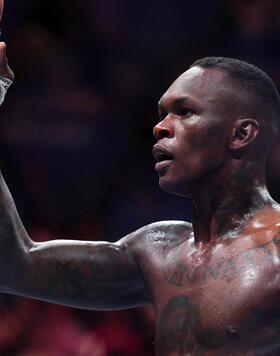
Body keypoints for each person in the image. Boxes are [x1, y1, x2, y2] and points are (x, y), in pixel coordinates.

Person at [1, 8, 280, 356]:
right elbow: (13, 265)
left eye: (185, 112)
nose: (160, 127)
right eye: (163, 114)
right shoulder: (156, 252)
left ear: (240, 134)